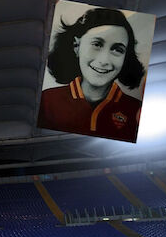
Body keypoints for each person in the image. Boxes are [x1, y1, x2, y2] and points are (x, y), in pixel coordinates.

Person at [37, 8, 146, 142]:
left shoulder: (137, 110)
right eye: (97, 44)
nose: (104, 60)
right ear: (77, 46)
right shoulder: (46, 102)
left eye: (117, 49)